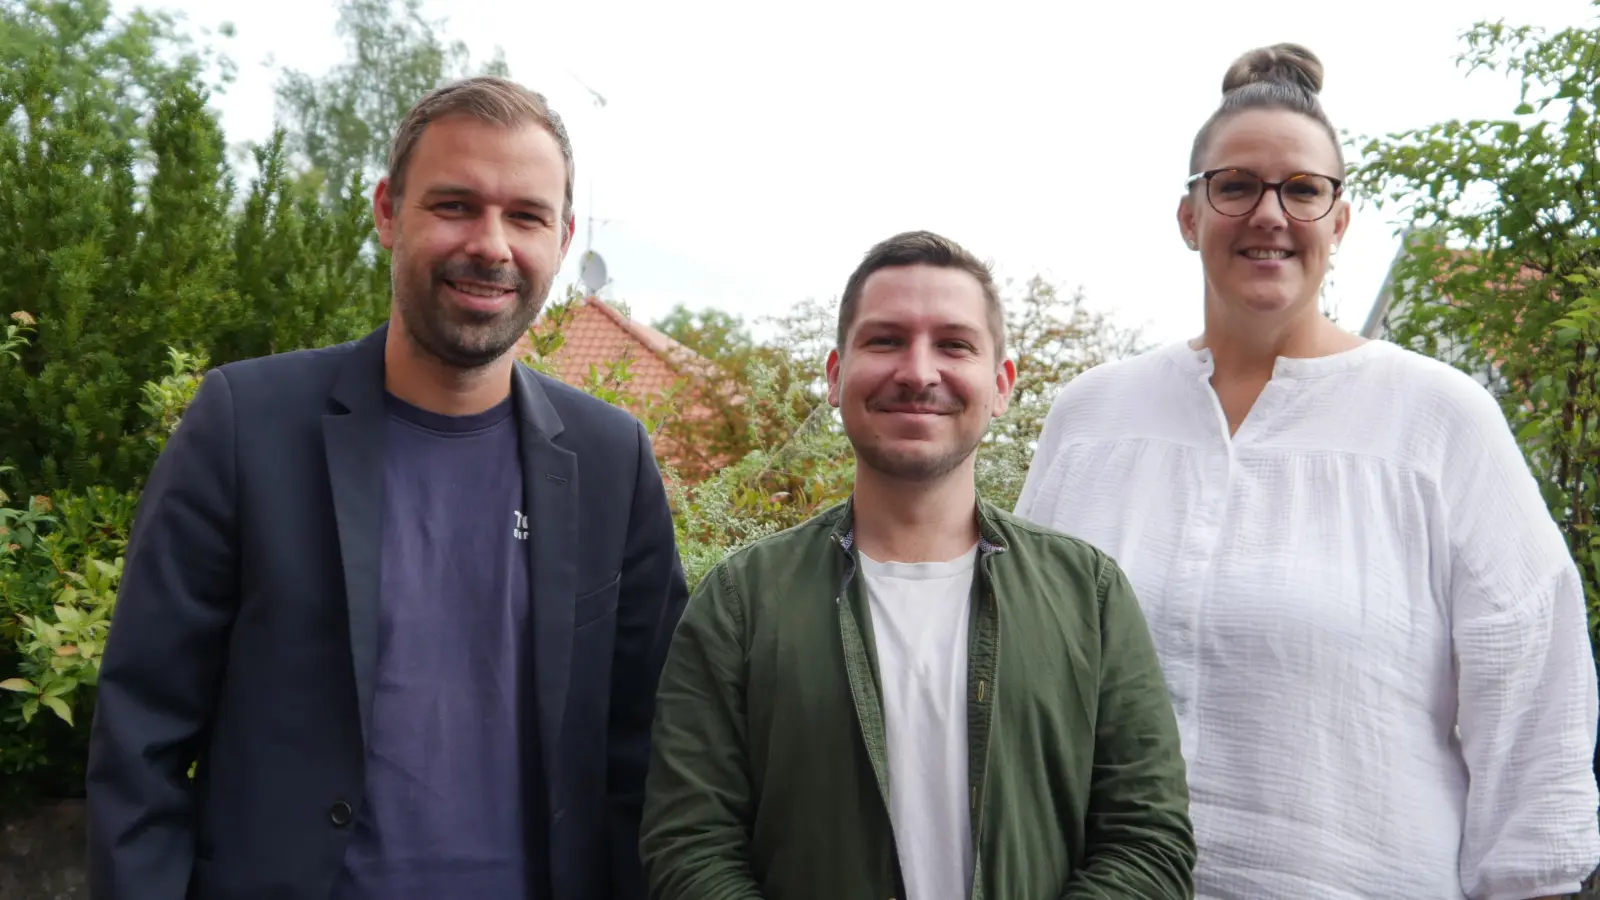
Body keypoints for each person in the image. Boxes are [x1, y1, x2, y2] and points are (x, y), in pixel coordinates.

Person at [1014, 43, 1600, 900]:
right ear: (1189, 216)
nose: (1269, 214)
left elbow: (1534, 696)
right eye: (1236, 185)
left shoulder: (1438, 421)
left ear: (1339, 220)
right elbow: (1016, 663)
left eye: (1302, 189)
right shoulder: (1092, 419)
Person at [85, 76, 689, 900]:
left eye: (525, 216)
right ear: (386, 212)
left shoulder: (611, 460)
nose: (491, 244)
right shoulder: (245, 426)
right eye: (454, 205)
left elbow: (649, 750)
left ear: (563, 235)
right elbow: (141, 734)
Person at [639, 230, 1196, 900]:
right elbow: (688, 846)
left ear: (1000, 385)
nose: (918, 371)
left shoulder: (1091, 597)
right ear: (836, 375)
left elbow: (1149, 844)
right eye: (885, 340)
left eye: (953, 344)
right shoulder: (740, 602)